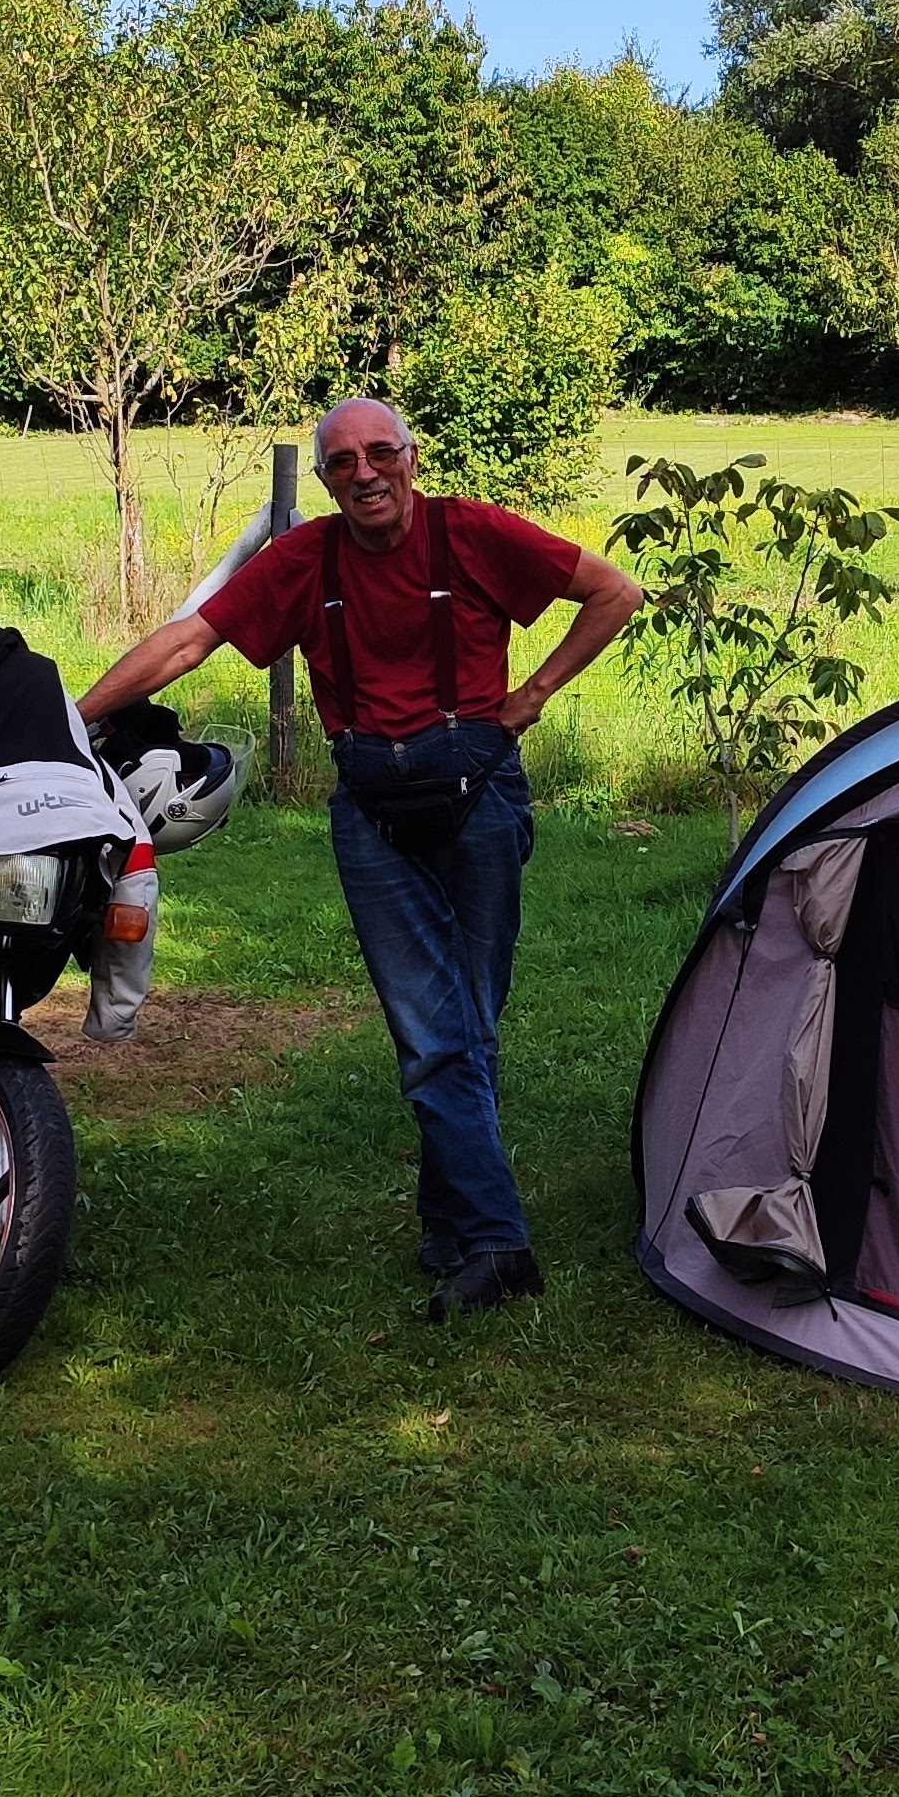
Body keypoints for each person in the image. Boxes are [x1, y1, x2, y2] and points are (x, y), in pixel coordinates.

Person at [77, 398, 643, 1319]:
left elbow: (616, 591)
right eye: (342, 463)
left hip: (481, 797)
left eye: (382, 454)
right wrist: (76, 719)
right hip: (372, 810)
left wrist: (533, 693)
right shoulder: (305, 562)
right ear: (331, 479)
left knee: (471, 1024)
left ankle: (452, 1220)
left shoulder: (474, 534)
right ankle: (500, 1246)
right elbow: (190, 640)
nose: (365, 474)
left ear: (411, 459)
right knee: (434, 1036)